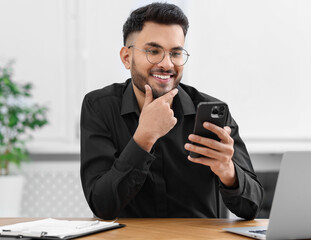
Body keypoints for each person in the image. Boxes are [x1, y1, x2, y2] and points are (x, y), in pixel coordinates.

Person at [80, 2, 263, 220]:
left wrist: (228, 171)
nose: (167, 64)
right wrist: (144, 138)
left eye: (176, 53)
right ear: (127, 58)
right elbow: (102, 206)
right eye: (153, 51)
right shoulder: (99, 106)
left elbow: (252, 207)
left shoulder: (209, 112)